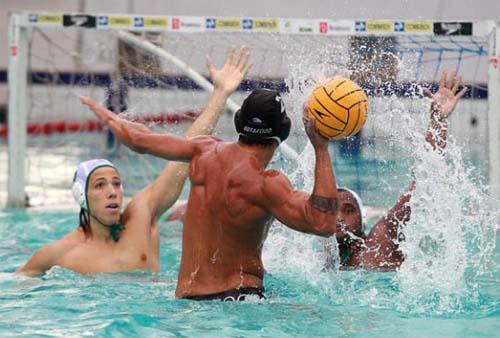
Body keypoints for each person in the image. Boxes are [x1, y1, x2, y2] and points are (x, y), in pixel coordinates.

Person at [80, 85, 339, 301]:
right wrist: (321, 148)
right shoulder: (267, 184)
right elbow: (323, 222)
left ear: (239, 122)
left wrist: (108, 116)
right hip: (241, 301)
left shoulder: (203, 151)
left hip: (187, 302)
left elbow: (140, 140)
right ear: (282, 132)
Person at [17, 46, 251, 276]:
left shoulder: (142, 215)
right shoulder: (59, 254)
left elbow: (189, 149)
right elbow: (19, 289)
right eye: (100, 185)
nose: (112, 192)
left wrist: (221, 93)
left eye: (116, 183)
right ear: (81, 195)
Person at [323, 70, 468, 271]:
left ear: (363, 220)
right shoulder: (319, 265)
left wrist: (437, 119)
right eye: (331, 210)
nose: (338, 217)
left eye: (348, 210)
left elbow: (424, 181)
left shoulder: (378, 243)